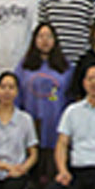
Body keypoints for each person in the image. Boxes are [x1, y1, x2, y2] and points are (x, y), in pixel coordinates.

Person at [14, 23, 74, 179]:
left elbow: (70, 98)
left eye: (49, 36)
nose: (45, 40)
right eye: (40, 36)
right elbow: (16, 95)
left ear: (55, 40)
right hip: (31, 123)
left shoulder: (66, 67)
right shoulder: (24, 66)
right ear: (34, 40)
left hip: (56, 125)